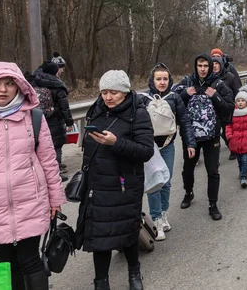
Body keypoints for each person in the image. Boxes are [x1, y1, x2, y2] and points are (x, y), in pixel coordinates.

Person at [75, 70, 154, 290]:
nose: (108, 97)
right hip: (97, 185)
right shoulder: (96, 111)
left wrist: (116, 143)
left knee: (127, 232)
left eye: (114, 92)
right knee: (99, 236)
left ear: (125, 92)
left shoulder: (137, 113)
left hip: (125, 186)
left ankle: (134, 273)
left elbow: (146, 151)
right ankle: (101, 282)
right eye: (104, 92)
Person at [0, 62, 65, 290]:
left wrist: (55, 199)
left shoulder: (33, 118)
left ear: (19, 87)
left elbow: (48, 162)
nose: (2, 89)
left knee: (30, 260)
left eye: (9, 83)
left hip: (30, 203)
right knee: (5, 265)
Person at [173, 53, 234, 220]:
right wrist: (185, 94)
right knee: (188, 168)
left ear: (211, 66)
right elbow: (172, 101)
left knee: (212, 170)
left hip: (212, 136)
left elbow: (229, 108)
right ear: (196, 66)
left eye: (206, 66)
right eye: (200, 65)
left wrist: (215, 96)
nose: (202, 69)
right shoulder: (187, 82)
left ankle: (213, 204)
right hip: (190, 136)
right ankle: (188, 192)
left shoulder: (218, 85)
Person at [139, 63, 196, 241]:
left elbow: (185, 121)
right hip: (150, 147)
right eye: (158, 79)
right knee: (154, 182)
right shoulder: (142, 98)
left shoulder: (174, 98)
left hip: (168, 144)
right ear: (152, 80)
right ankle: (155, 219)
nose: (162, 82)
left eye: (165, 79)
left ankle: (164, 213)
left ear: (169, 80)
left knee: (167, 181)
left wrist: (190, 143)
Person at [32, 61, 74, 182]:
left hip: (37, 120)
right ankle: (56, 174)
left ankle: (41, 173)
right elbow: (64, 107)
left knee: (40, 147)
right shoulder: (57, 85)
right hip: (54, 120)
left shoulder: (34, 82)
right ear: (55, 72)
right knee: (56, 147)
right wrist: (69, 123)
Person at [213, 57, 241, 160]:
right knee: (214, 136)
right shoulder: (209, 79)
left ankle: (233, 149)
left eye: (217, 63)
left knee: (226, 133)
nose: (215, 66)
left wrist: (238, 105)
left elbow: (237, 90)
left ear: (221, 65)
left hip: (228, 109)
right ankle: (215, 158)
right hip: (214, 112)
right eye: (213, 64)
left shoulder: (230, 77)